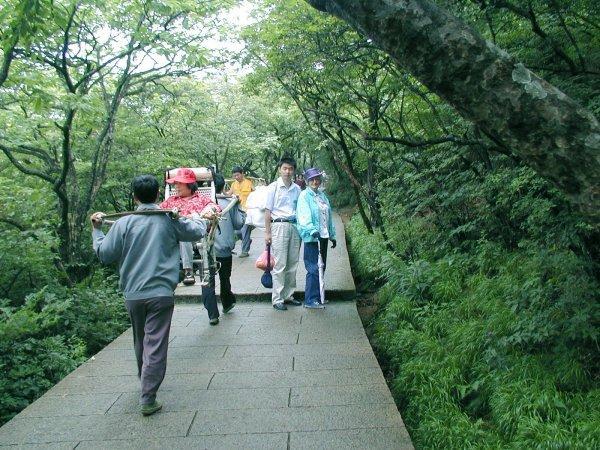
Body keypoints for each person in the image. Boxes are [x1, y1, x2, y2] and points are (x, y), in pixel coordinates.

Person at [90, 175, 206, 416]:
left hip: (132, 293)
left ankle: (145, 382)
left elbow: (104, 254)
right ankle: (148, 395)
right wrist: (198, 219)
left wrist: (97, 231)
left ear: (134, 196)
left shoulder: (124, 224)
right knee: (154, 344)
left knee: (141, 341)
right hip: (161, 293)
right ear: (157, 195)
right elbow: (196, 233)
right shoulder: (168, 219)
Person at [160, 168, 219, 285]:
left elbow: (215, 209)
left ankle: (188, 271)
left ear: (190, 185)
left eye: (179, 183)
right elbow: (157, 211)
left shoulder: (202, 200)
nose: (176, 187)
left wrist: (206, 213)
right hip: (171, 235)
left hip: (192, 234)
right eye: (175, 184)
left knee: (183, 231)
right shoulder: (170, 201)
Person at [200, 173, 246, 322]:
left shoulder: (199, 204)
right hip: (224, 249)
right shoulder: (228, 203)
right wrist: (238, 206)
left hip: (204, 250)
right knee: (225, 278)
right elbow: (239, 223)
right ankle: (227, 303)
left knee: (207, 282)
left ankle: (212, 315)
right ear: (222, 186)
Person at [265, 156, 302, 311]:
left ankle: (289, 295)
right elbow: (267, 211)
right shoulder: (273, 187)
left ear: (294, 171)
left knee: (293, 262)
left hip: (294, 226)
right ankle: (277, 298)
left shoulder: (297, 189)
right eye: (285, 168)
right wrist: (267, 233)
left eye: (290, 169)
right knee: (280, 263)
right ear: (280, 169)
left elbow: (300, 210)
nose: (287, 171)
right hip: (278, 225)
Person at [296, 168, 337, 308]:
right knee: (313, 268)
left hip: (323, 237)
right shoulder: (304, 196)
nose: (315, 181)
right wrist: (312, 230)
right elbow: (303, 215)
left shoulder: (322, 196)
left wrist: (332, 235)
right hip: (312, 238)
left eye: (317, 179)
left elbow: (328, 216)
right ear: (307, 181)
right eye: (312, 179)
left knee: (321, 267)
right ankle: (310, 300)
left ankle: (320, 296)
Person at [227, 166, 254, 258]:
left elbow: (255, 194)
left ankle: (245, 251)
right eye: (234, 176)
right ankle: (247, 241)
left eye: (238, 175)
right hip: (238, 212)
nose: (236, 177)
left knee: (245, 230)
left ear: (242, 173)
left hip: (248, 211)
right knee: (237, 232)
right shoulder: (233, 184)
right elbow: (228, 195)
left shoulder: (249, 183)